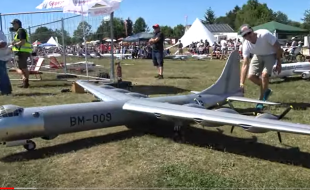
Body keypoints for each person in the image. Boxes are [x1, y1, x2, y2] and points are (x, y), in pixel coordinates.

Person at [239, 24, 282, 110]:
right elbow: (245, 64)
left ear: (252, 31)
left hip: (270, 54)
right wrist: (241, 83)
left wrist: (278, 63)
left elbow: (278, 47)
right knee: (251, 76)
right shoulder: (245, 44)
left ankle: (261, 100)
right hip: (257, 55)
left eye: (249, 33)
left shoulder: (264, 34)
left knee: (264, 75)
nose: (248, 36)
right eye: (244, 35)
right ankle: (266, 90)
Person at [10, 19, 32, 88]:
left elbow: (23, 41)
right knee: (22, 67)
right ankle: (25, 82)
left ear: (18, 24)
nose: (13, 26)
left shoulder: (21, 31)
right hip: (22, 51)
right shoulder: (19, 31)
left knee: (21, 68)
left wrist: (14, 44)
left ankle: (25, 81)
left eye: (14, 24)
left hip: (21, 52)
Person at [0, 30, 12, 95]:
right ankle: (5, 90)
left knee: (2, 75)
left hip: (1, 58)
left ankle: (6, 91)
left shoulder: (0, 33)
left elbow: (3, 44)